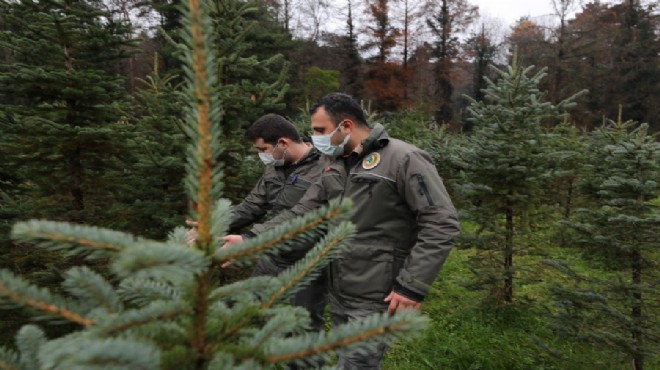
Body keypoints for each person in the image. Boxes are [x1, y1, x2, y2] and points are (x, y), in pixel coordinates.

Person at [229, 93, 460, 369]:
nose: (314, 138)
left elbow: (441, 222)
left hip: (376, 292)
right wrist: (251, 238)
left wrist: (412, 286)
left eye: (319, 131)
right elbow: (301, 212)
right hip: (340, 288)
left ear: (346, 126)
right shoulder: (334, 165)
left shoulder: (403, 158)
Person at [190, 113, 330, 331]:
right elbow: (253, 204)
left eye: (262, 150)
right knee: (247, 311)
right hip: (273, 256)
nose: (261, 156)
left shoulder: (325, 168)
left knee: (305, 325)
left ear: (283, 143)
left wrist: (250, 238)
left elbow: (301, 214)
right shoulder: (274, 167)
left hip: (309, 259)